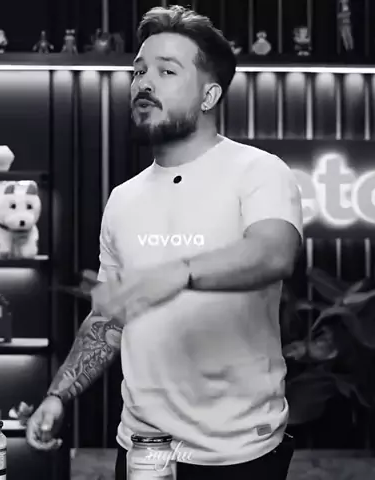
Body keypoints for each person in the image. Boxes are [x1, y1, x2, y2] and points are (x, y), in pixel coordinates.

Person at [26, 5, 303, 480]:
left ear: (209, 95)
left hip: (239, 454)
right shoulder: (123, 198)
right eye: (138, 71)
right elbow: (109, 318)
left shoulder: (258, 171)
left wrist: (177, 274)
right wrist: (58, 394)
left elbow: (273, 253)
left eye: (166, 71)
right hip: (141, 450)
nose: (144, 83)